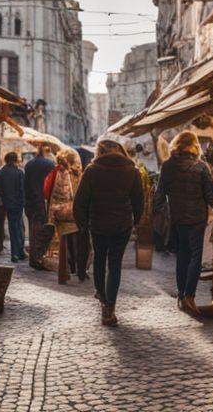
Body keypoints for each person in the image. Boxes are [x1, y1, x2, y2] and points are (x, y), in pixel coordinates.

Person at [73, 139, 144, 326]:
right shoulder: (132, 170)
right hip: (122, 224)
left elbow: (80, 201)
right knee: (115, 264)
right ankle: (110, 306)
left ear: (100, 152)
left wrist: (82, 223)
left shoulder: (92, 170)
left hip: (98, 223)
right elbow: (138, 200)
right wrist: (136, 221)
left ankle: (102, 295)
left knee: (99, 258)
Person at [154, 131, 213, 316]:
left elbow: (160, 193)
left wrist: (158, 214)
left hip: (178, 217)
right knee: (195, 257)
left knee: (182, 255)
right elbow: (211, 194)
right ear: (194, 146)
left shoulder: (167, 166)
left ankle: (181, 295)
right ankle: (189, 295)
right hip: (197, 218)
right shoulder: (201, 167)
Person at [45, 149, 86, 280]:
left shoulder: (55, 172)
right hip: (77, 212)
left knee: (64, 244)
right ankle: (79, 270)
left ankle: (64, 271)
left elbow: (46, 191)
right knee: (79, 241)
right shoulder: (78, 173)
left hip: (59, 213)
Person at [23, 146, 57, 271]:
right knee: (44, 230)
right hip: (44, 202)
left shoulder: (29, 165)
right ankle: (40, 257)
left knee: (33, 229)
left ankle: (34, 258)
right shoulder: (50, 164)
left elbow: (25, 185)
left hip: (31, 201)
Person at [0, 153, 26, 262]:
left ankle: (19, 252)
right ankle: (16, 253)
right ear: (15, 160)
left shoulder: (0, 173)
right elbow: (22, 190)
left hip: (3, 204)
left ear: (6, 160)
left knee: (11, 227)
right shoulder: (19, 173)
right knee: (17, 227)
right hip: (17, 204)